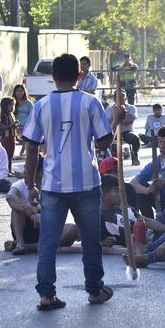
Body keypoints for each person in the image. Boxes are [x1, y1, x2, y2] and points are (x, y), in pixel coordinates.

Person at [21, 53, 114, 311]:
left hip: (52, 184)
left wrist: (30, 185)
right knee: (90, 239)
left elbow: (30, 148)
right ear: (79, 75)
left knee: (47, 243)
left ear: (53, 76)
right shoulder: (90, 102)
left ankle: (46, 295)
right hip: (86, 182)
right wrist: (113, 121)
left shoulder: (41, 106)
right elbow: (104, 141)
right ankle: (95, 289)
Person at [5, 155, 79, 255]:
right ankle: (21, 242)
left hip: (47, 230)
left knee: (72, 229)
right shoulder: (20, 185)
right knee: (16, 210)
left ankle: (26, 247)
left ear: (40, 173)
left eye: (27, 170)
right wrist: (30, 212)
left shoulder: (54, 187)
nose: (24, 173)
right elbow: (10, 197)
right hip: (26, 229)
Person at [100, 174, 165, 248]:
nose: (120, 194)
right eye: (116, 191)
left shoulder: (126, 208)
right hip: (136, 249)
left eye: (120, 190)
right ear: (104, 195)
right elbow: (98, 243)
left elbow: (146, 221)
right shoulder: (99, 217)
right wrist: (105, 243)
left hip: (151, 241)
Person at [105, 88, 140, 165]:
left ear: (126, 98)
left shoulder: (131, 108)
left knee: (135, 139)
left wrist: (116, 118)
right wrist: (122, 118)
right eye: (117, 96)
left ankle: (135, 156)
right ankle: (108, 160)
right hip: (114, 132)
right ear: (114, 98)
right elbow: (108, 122)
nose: (120, 98)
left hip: (126, 132)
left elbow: (130, 120)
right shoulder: (109, 109)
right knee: (105, 140)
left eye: (122, 96)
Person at [13, 83, 34, 156]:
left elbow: (32, 114)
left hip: (26, 124)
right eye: (18, 91)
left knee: (25, 137)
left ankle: (23, 150)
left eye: (21, 91)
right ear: (15, 92)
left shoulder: (28, 103)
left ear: (24, 92)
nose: (19, 93)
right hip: (14, 124)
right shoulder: (12, 102)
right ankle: (21, 146)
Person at [0, 97, 17, 173]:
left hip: (13, 137)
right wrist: (12, 125)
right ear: (5, 106)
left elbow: (12, 126)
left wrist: (15, 125)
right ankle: (5, 171)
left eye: (14, 105)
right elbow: (2, 127)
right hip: (6, 137)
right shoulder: (3, 116)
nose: (13, 107)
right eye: (11, 105)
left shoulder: (12, 115)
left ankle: (10, 170)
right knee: (6, 155)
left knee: (11, 155)